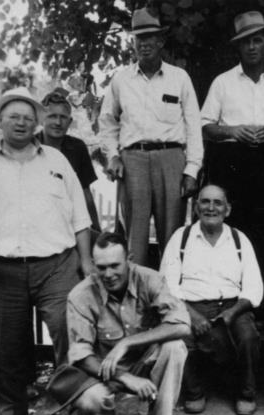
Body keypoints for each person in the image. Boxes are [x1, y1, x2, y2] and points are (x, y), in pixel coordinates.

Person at [0, 87, 95, 415]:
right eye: (13, 117)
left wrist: (86, 260)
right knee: (5, 346)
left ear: (36, 125)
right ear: (0, 121)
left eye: (28, 119)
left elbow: (80, 215)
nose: (21, 123)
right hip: (0, 271)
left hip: (57, 265)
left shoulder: (58, 162)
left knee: (70, 334)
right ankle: (13, 411)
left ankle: (79, 410)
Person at [53, 232, 190, 415]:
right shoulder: (81, 295)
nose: (108, 274)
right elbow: (80, 356)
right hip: (101, 372)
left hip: (142, 362)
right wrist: (125, 378)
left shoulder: (150, 280)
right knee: (92, 402)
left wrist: (127, 342)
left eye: (115, 265)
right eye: (101, 267)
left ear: (130, 259)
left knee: (174, 347)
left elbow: (183, 325)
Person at [201, 10, 264, 286]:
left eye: (257, 40)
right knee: (230, 227)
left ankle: (260, 299)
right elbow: (206, 126)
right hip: (230, 161)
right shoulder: (223, 82)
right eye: (245, 42)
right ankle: (226, 290)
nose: (251, 47)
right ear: (238, 46)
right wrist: (232, 130)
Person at [99, 8, 203, 268]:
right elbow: (108, 122)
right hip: (133, 160)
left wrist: (192, 169)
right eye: (138, 38)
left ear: (161, 41)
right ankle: (135, 298)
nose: (143, 44)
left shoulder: (179, 78)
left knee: (173, 234)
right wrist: (112, 155)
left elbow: (193, 126)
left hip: (171, 159)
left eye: (149, 38)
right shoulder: (121, 80)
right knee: (135, 236)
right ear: (132, 42)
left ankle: (170, 297)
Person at [160, 185, 264, 415]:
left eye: (218, 203)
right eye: (205, 202)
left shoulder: (239, 239)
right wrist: (192, 315)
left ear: (227, 209)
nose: (211, 208)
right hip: (189, 306)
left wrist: (232, 313)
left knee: (247, 336)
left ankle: (245, 394)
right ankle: (195, 393)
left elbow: (254, 287)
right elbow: (167, 286)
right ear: (196, 207)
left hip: (232, 306)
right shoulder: (181, 237)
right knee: (181, 336)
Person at [38, 90, 101, 231]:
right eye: (52, 116)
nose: (58, 122)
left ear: (70, 121)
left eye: (63, 117)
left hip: (71, 220)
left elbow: (86, 194)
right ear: (42, 119)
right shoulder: (31, 145)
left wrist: (96, 229)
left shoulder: (78, 147)